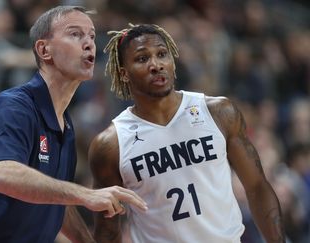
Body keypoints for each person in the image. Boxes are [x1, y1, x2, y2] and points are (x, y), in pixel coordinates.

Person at [0, 6, 147, 243]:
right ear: (44, 50)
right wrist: (85, 195)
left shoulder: (66, 125)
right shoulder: (13, 107)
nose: (89, 43)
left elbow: (56, 200)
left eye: (92, 36)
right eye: (75, 34)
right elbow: (4, 176)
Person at [89, 23, 285, 243]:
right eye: (142, 59)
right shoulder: (110, 144)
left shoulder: (218, 112)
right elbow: (107, 231)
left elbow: (257, 186)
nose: (156, 65)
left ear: (173, 62)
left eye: (162, 54)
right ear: (124, 73)